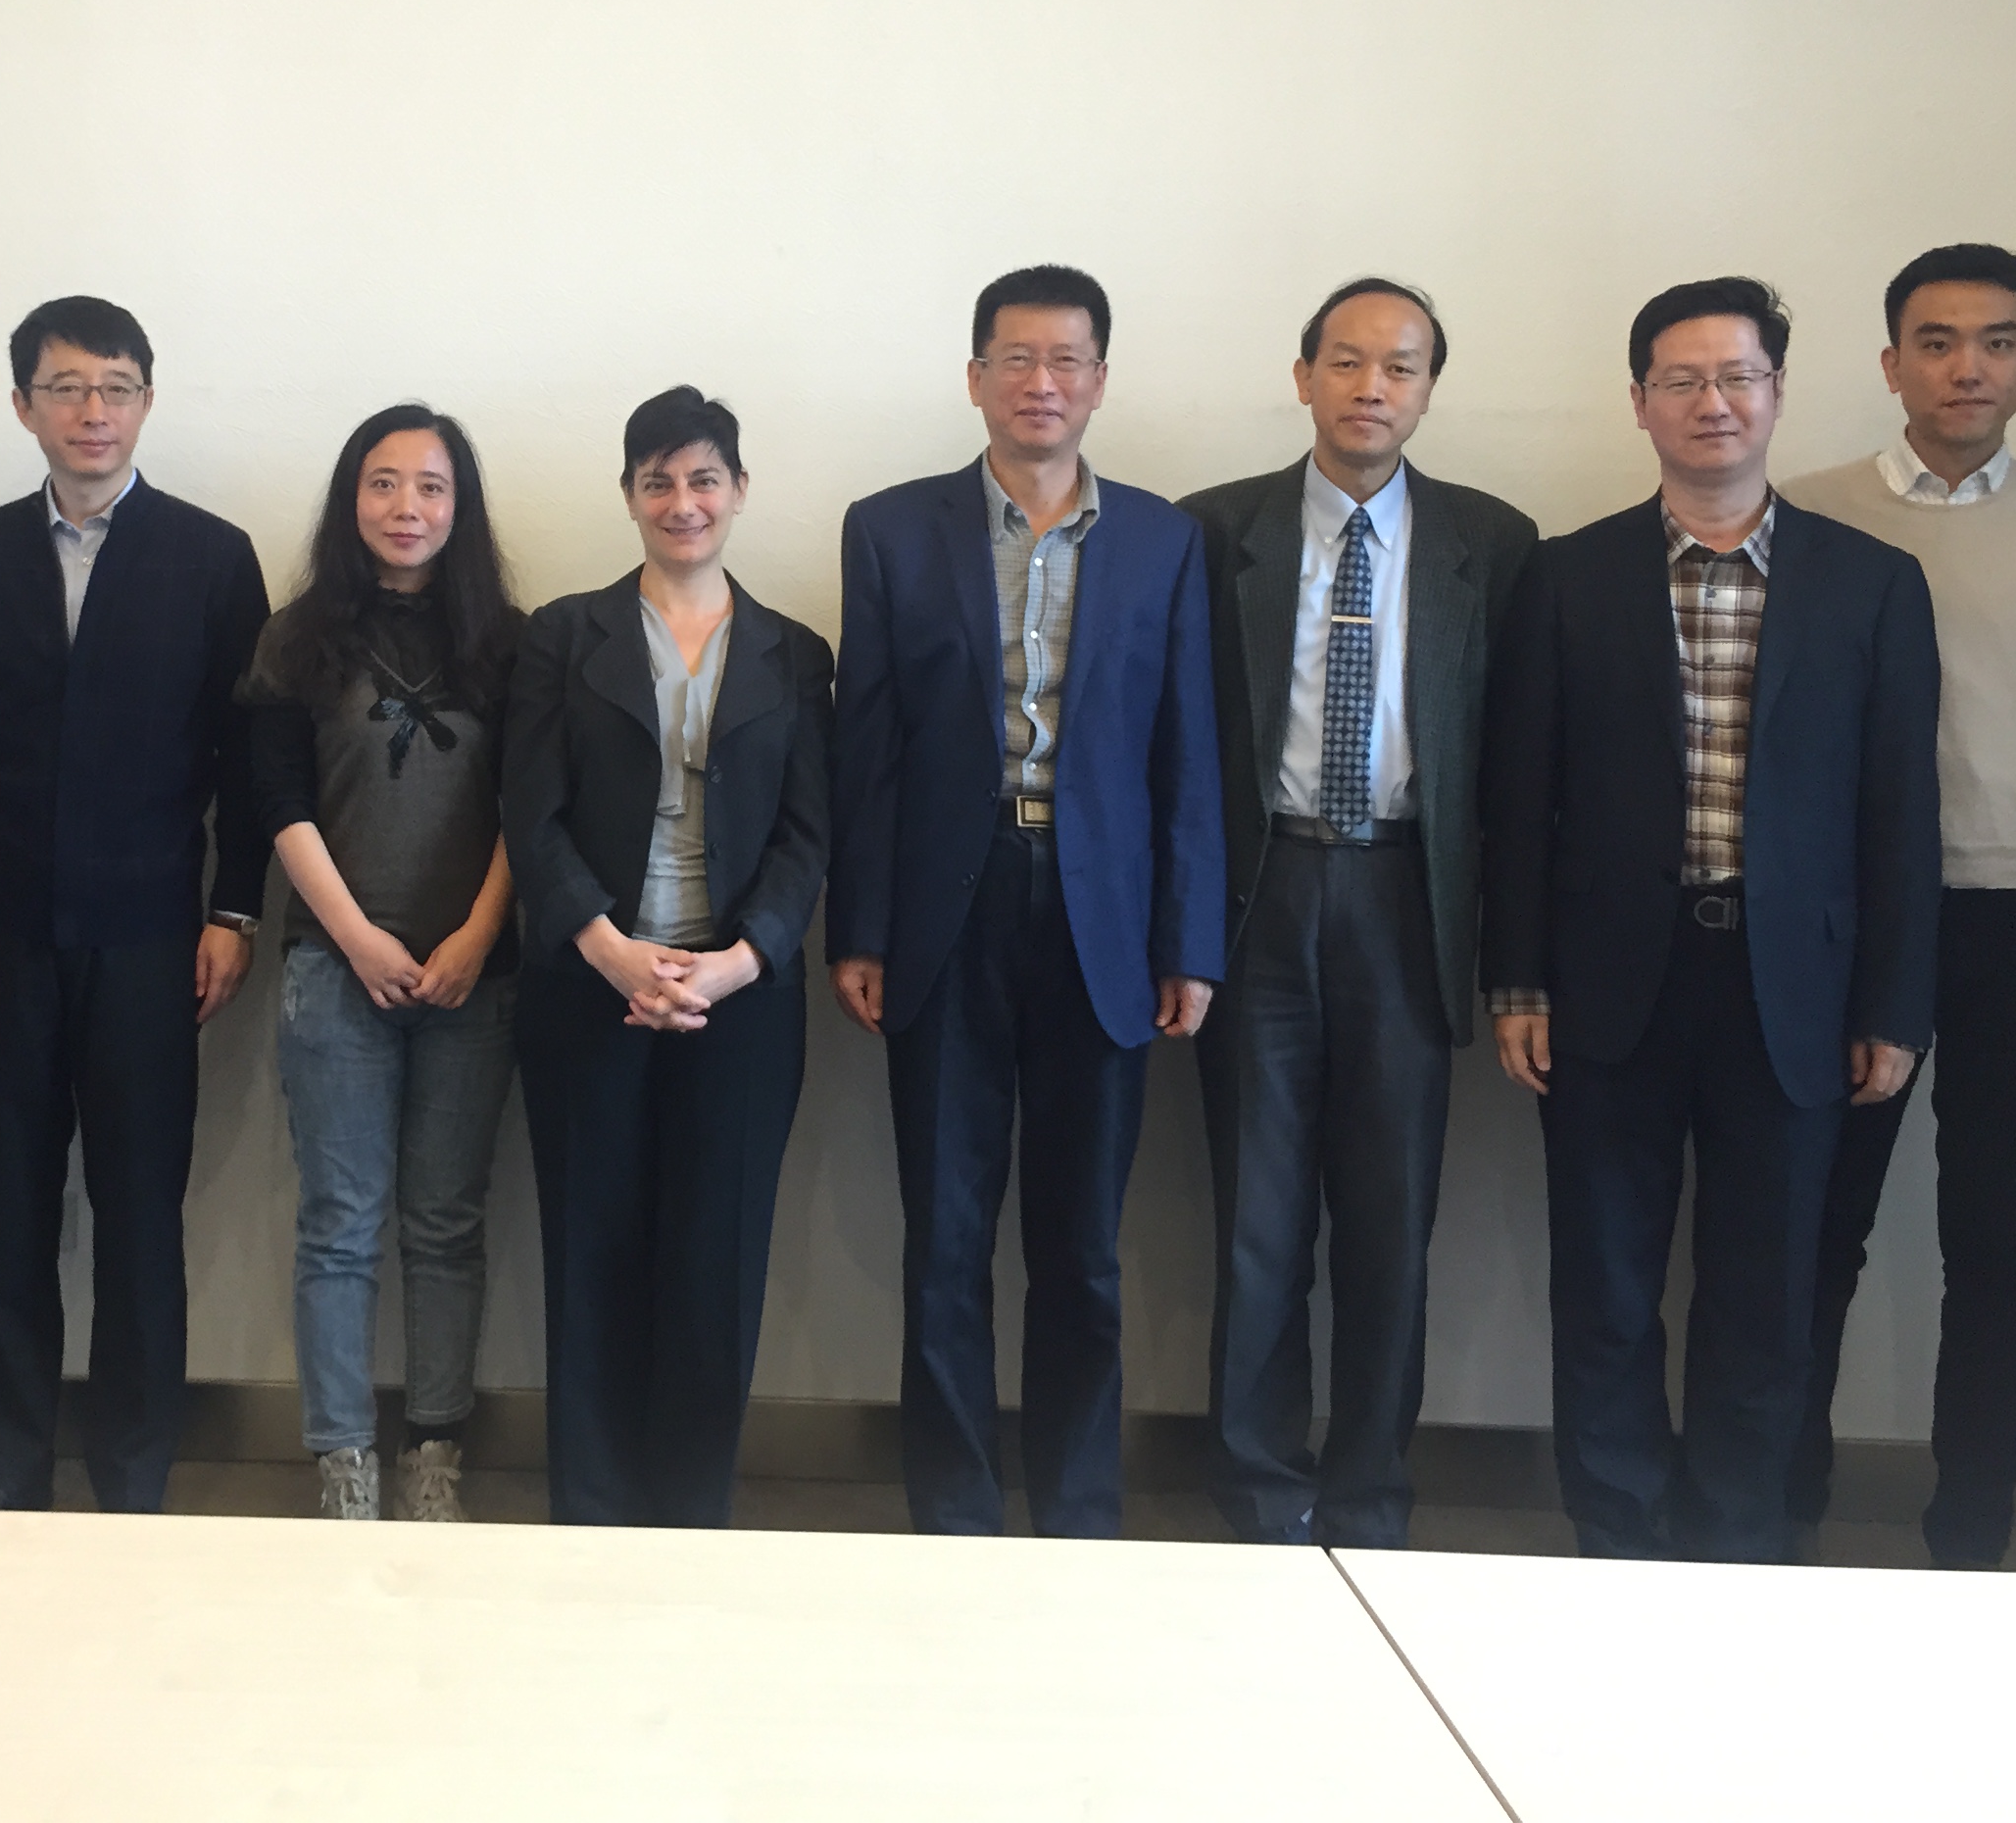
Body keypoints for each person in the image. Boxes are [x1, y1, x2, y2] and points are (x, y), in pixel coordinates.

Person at [1484, 276, 1939, 1562]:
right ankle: (1618, 1533)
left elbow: (1901, 812)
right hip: (1610, 983)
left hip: (1795, 990)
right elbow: (1520, 799)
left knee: (1766, 1292)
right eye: (1681, 380)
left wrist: (1894, 1004)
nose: (1713, 402)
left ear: (1778, 393)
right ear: (1640, 404)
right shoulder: (1566, 576)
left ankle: (1738, 1544)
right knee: (1607, 1283)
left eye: (1737, 376)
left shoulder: (1872, 584)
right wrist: (1516, 981)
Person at [829, 265, 1223, 1538]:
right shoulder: (891, 529)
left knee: (1083, 1248)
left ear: (1099, 380)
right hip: (948, 908)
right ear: (975, 377)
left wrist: (1189, 940)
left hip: (1104, 920)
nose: (1040, 382)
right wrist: (860, 927)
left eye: (1066, 360)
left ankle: (1078, 1515)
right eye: (1015, 358)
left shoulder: (1163, 540)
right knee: (945, 1239)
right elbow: (868, 747)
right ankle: (952, 1513)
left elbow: (1188, 755)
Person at [1785, 245, 2016, 1566]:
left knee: (1993, 1234)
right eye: (1936, 342)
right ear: (1892, 364)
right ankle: (1783, 1502)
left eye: (1998, 342)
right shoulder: (1808, 512)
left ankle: (1971, 1531)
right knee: (1818, 1222)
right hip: (1848, 924)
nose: (1967, 367)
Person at [1179, 279, 1538, 1548]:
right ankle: (1260, 1494)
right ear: (1303, 377)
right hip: (1260, 894)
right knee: (1257, 1222)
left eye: (1400, 366)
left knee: (1392, 1224)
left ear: (1429, 389)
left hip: (1408, 895)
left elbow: (1520, 768)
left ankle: (1372, 1493)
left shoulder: (1494, 543)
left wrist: (1514, 962)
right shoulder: (1212, 531)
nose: (1371, 387)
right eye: (1346, 361)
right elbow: (1174, 748)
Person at [0, 295, 270, 1513]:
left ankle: (132, 1480)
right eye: (65, 387)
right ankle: (6, 1474)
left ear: (147, 401)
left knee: (140, 1219)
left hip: (152, 939)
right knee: (8, 1216)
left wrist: (233, 913)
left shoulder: (212, 557)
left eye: (115, 387)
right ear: (24, 407)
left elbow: (249, 758)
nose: (93, 411)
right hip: (4, 935)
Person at [503, 388, 832, 1527]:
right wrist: (608, 950)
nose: (682, 501)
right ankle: (592, 1513)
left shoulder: (795, 653)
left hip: (740, 1001)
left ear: (739, 490)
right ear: (630, 495)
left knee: (715, 1262)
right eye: (658, 480)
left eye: (703, 479)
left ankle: (691, 1516)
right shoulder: (562, 636)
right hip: (588, 988)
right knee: (590, 1252)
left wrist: (741, 962)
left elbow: (807, 835)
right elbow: (530, 816)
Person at [244, 406, 523, 1523]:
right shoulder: (295, 639)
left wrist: (476, 937)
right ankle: (344, 1462)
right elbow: (279, 804)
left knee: (447, 1224)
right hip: (334, 975)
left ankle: (435, 1452)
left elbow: (529, 808)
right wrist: (360, 939)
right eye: (383, 483)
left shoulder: (511, 644)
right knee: (340, 1224)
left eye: (431, 487)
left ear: (461, 507)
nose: (407, 507)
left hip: (474, 977)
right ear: (350, 499)